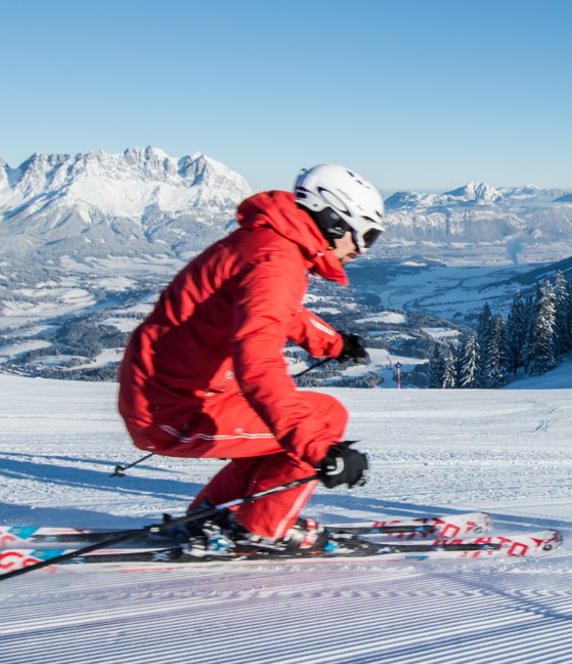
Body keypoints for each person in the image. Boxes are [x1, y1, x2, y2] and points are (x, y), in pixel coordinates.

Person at [117, 164, 387, 553]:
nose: (361, 250)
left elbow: (273, 311)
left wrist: (332, 343)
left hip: (165, 392)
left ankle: (216, 514)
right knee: (322, 421)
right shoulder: (277, 263)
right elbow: (257, 363)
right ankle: (263, 527)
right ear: (333, 220)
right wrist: (318, 448)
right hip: (175, 411)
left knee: (310, 419)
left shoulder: (264, 243)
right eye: (366, 236)